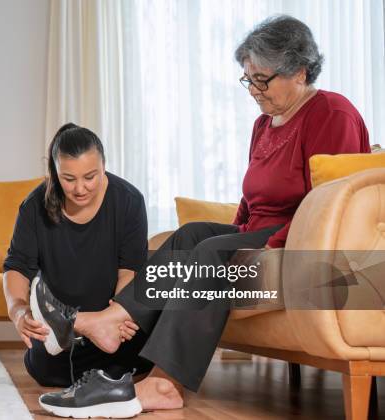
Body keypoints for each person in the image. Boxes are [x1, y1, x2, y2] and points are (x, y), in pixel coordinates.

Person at [35, 15, 371, 418]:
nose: (254, 91)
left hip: (297, 248)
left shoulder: (332, 114)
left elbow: (330, 204)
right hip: (258, 234)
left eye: (262, 80)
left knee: (211, 253)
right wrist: (240, 234)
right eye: (248, 79)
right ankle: (112, 319)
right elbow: (251, 203)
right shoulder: (264, 124)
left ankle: (164, 383)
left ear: (300, 71)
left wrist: (265, 252)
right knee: (189, 235)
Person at [2, 122, 153, 388]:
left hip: (115, 327)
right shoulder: (34, 205)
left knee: (127, 360)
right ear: (55, 172)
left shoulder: (129, 200)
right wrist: (18, 312)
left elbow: (130, 269)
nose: (80, 188)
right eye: (69, 179)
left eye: (90, 176)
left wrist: (120, 314)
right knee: (47, 371)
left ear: (104, 166)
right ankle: (77, 326)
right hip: (62, 338)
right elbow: (17, 266)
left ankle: (90, 325)